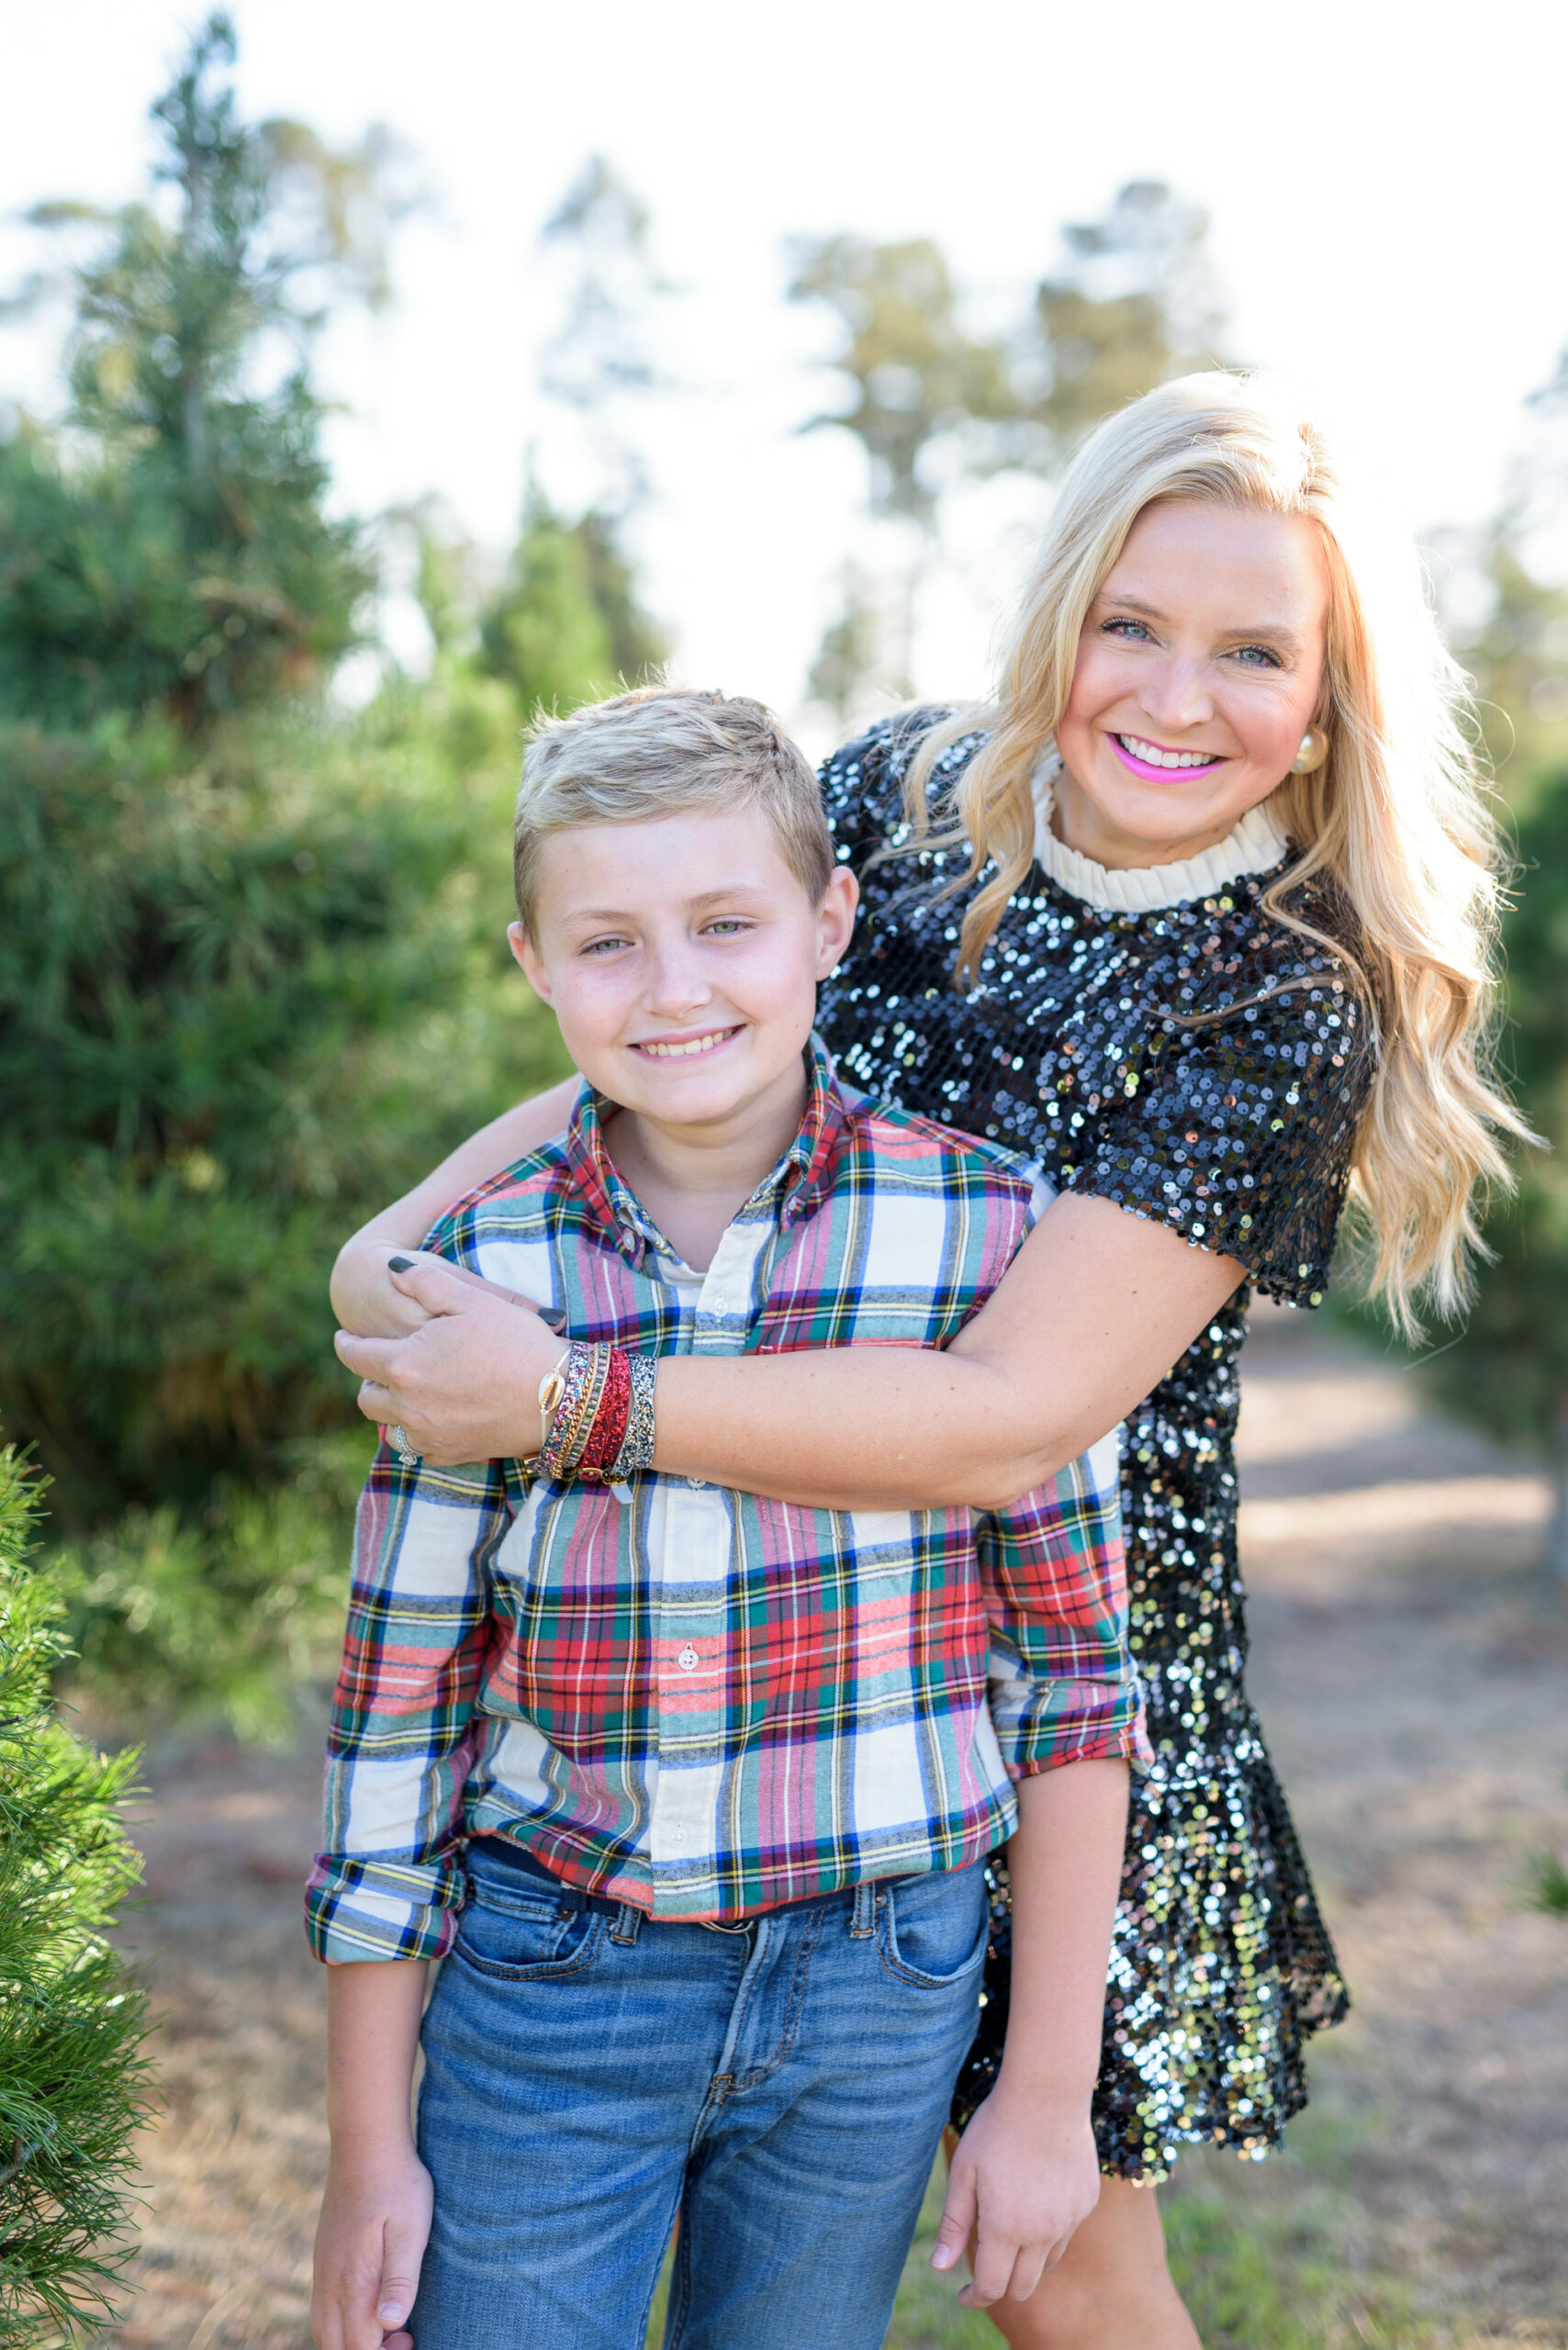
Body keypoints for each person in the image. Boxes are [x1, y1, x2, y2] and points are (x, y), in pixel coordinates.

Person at [333, 375, 1526, 2350]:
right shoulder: (898, 797)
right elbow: (674, 1024)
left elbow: (1010, 1416)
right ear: (1058, 614)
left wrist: (565, 1398)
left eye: (1252, 651)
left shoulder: (1274, 993)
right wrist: (399, 1236)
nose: (1172, 691)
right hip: (764, 1603)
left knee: (1054, 2263)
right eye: (1129, 623)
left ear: (1321, 705)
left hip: (1038, 1665)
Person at [308, 688, 1148, 2350]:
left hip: (880, 1982)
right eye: (608, 942)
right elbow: (393, 1718)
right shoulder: (479, 1283)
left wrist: (1047, 2088)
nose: (677, 987)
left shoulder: (984, 1232)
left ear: (829, 922)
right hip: (556, 1985)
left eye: (726, 924)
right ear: (532, 964)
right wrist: (365, 2148)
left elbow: (1071, 1687)